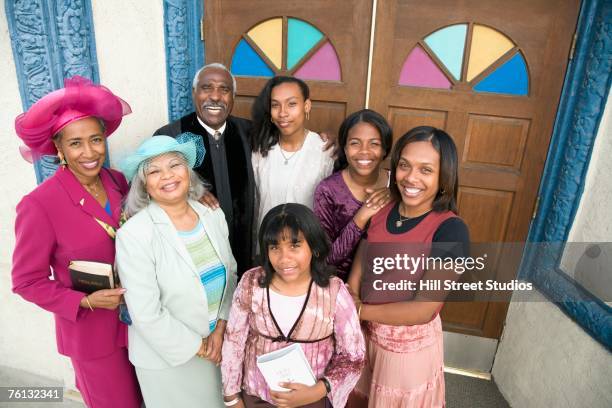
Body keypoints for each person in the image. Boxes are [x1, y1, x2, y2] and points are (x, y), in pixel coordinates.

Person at [11, 76, 141, 408]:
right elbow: (27, 282)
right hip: (93, 337)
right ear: (58, 148)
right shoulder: (39, 205)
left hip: (140, 323)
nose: (89, 152)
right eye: (76, 143)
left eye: (96, 140)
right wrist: (85, 302)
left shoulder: (117, 181)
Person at [348, 126, 470, 407]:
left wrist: (357, 310)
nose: (411, 178)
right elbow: (364, 254)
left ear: (444, 177)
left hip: (405, 353)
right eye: (404, 166)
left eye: (426, 170)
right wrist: (352, 291)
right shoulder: (383, 208)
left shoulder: (451, 230)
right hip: (364, 335)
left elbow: (423, 308)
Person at [115, 136, 238, 408]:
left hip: (218, 347)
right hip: (167, 361)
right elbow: (146, 312)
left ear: (188, 172)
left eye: (174, 165)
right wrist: (201, 346)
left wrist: (221, 327)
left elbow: (231, 273)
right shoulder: (134, 235)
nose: (167, 176)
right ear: (144, 184)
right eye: (154, 171)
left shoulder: (212, 214)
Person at [221, 203, 365, 408]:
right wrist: (232, 397)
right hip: (258, 397)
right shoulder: (251, 283)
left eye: (294, 246)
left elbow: (353, 356)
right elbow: (234, 342)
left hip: (312, 400)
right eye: (274, 247)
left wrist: (319, 390)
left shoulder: (334, 291)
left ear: (314, 248)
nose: (284, 258)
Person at [154, 63, 254, 276]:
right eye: (207, 88)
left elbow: (291, 141)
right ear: (194, 93)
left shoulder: (249, 132)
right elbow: (148, 192)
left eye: (224, 89)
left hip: (244, 248)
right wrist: (188, 189)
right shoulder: (169, 137)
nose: (215, 96)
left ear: (233, 97)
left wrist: (327, 140)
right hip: (194, 254)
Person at [314, 109, 393, 281]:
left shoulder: (398, 183)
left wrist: (396, 192)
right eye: (355, 143)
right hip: (341, 290)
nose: (364, 151)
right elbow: (326, 259)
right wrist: (361, 217)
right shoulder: (328, 190)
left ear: (385, 149)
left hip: (388, 283)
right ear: (344, 147)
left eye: (374, 144)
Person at [251, 76, 334, 235]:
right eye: (275, 105)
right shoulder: (260, 150)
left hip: (307, 246)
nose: (283, 113)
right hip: (267, 244)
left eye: (292, 104)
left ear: (307, 106)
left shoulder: (325, 152)